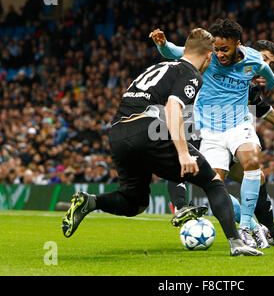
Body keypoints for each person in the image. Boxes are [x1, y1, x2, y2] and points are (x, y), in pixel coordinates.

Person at [62, 28, 263, 257]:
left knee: (134, 202)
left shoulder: (157, 66)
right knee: (213, 182)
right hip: (147, 130)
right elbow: (172, 108)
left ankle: (91, 202)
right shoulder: (191, 74)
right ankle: (236, 243)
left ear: (185, 50)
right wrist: (183, 153)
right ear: (208, 56)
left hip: (118, 133)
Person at [152, 35, 274, 247]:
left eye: (270, 64)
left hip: (230, 136)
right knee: (205, 179)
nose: (265, 65)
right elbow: (179, 52)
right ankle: (246, 226)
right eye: (264, 59)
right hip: (203, 132)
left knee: (257, 176)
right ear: (249, 53)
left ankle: (270, 233)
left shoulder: (249, 89)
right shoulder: (216, 66)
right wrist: (163, 45)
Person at [150, 19, 274, 247]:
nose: (219, 54)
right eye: (216, 49)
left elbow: (271, 78)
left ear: (238, 44)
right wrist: (162, 44)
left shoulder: (253, 59)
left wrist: (263, 82)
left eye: (224, 49)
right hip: (209, 131)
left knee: (251, 161)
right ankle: (257, 228)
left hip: (239, 125)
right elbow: (173, 51)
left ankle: (246, 227)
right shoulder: (207, 56)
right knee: (215, 185)